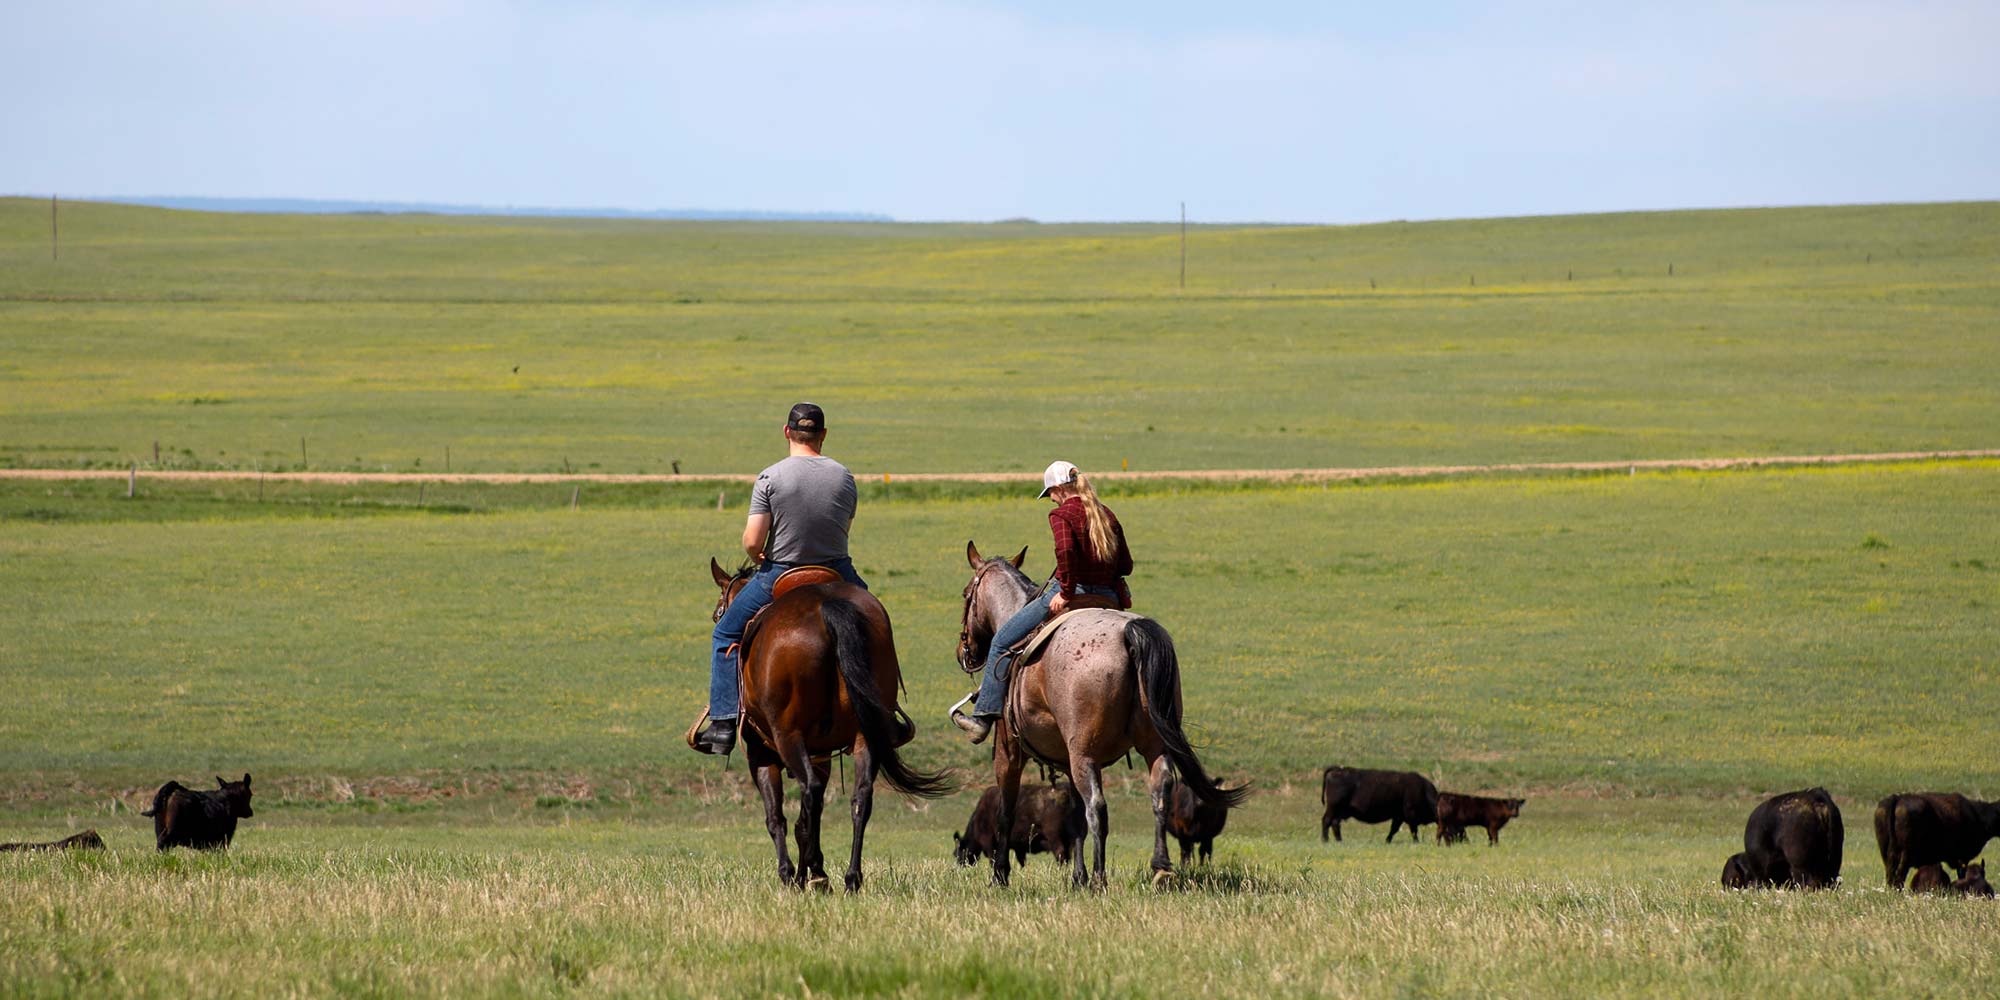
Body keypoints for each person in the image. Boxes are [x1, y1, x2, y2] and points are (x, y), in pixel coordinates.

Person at [692, 402, 865, 755]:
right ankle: (884, 712)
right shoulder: (844, 476)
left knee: (724, 631)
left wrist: (757, 555)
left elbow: (754, 540)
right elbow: (843, 528)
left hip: (782, 571)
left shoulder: (771, 477)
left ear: (787, 432)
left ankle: (724, 723)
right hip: (837, 571)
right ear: (823, 435)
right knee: (874, 623)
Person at [951, 460, 1132, 744]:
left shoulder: (1061, 515)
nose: (1051, 498)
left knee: (1001, 640)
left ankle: (982, 717)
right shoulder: (1106, 514)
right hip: (1108, 597)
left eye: (1050, 493)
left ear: (1059, 488)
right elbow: (1126, 564)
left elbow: (1066, 552)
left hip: (1073, 592)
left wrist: (1066, 591)